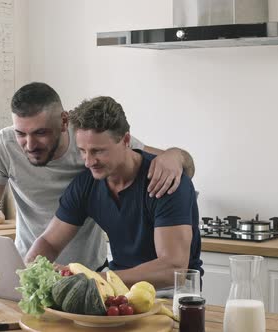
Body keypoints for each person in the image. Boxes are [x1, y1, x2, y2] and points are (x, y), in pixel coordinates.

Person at [0, 82, 195, 271]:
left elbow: (166, 163)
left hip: (92, 271)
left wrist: (175, 155)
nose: (30, 144)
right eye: (21, 134)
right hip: (41, 268)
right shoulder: (86, 180)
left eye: (41, 133)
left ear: (64, 122)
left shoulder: (98, 140)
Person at [24, 95, 202, 288]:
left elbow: (173, 269)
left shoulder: (166, 181)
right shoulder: (86, 184)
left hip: (173, 293)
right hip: (117, 286)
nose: (88, 161)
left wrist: (91, 278)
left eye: (98, 151)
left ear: (126, 140)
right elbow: (49, 242)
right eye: (82, 150)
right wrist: (30, 271)